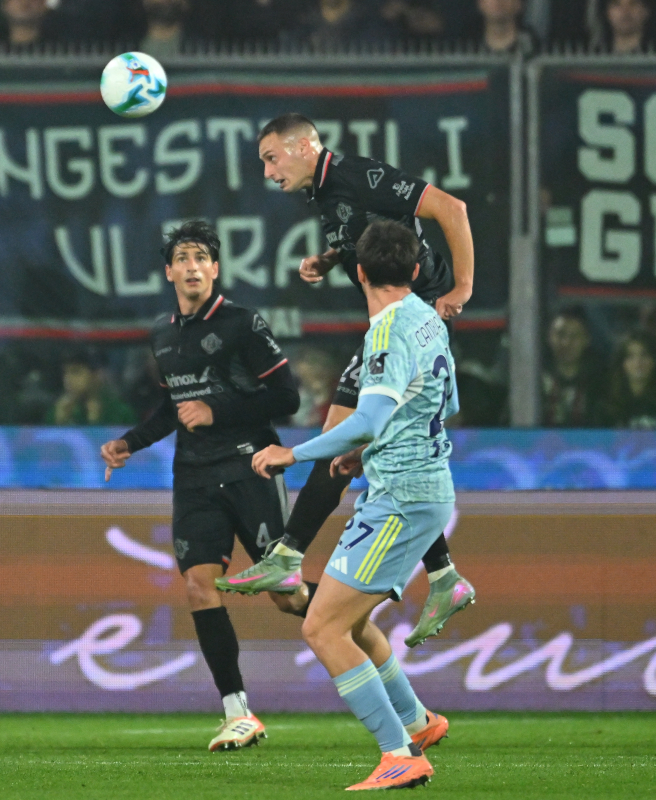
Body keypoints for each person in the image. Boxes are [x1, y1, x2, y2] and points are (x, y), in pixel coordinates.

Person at [220, 113, 475, 650]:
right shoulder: (326, 194)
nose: (267, 172)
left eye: (272, 157)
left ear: (306, 146)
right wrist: (332, 257)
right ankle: (444, 576)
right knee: (370, 452)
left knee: (350, 434)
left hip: (410, 319)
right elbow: (370, 232)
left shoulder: (360, 175)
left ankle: (288, 556)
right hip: (397, 323)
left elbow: (452, 209)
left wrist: (463, 287)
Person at [250, 221, 456, 791]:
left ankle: (400, 753)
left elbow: (365, 420)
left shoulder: (387, 331)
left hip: (401, 501)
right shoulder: (429, 319)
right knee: (349, 620)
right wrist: (365, 455)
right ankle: (418, 722)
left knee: (322, 628)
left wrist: (292, 455)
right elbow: (444, 402)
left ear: (359, 272)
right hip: (419, 487)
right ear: (416, 271)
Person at [99, 220, 302, 752]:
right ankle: (237, 712)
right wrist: (130, 443)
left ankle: (378, 656)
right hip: (192, 476)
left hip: (249, 466)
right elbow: (176, 408)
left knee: (287, 597)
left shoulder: (242, 323)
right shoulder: (162, 335)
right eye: (182, 258)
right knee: (197, 586)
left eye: (201, 258)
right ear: (168, 271)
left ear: (215, 269)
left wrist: (218, 409)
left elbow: (286, 397)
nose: (192, 267)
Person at [44, 348, 137, 425]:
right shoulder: (57, 411)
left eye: (76, 372)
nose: (67, 379)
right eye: (65, 372)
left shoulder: (120, 413)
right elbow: (44, 444)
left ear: (96, 376)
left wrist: (96, 423)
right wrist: (59, 423)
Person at [541, 307, 601, 426]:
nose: (566, 342)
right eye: (560, 334)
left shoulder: (600, 382)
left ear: (587, 340)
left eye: (574, 336)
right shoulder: (532, 378)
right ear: (549, 337)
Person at [599, 331, 656, 428]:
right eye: (630, 356)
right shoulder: (607, 403)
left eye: (644, 355)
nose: (638, 362)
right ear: (622, 362)